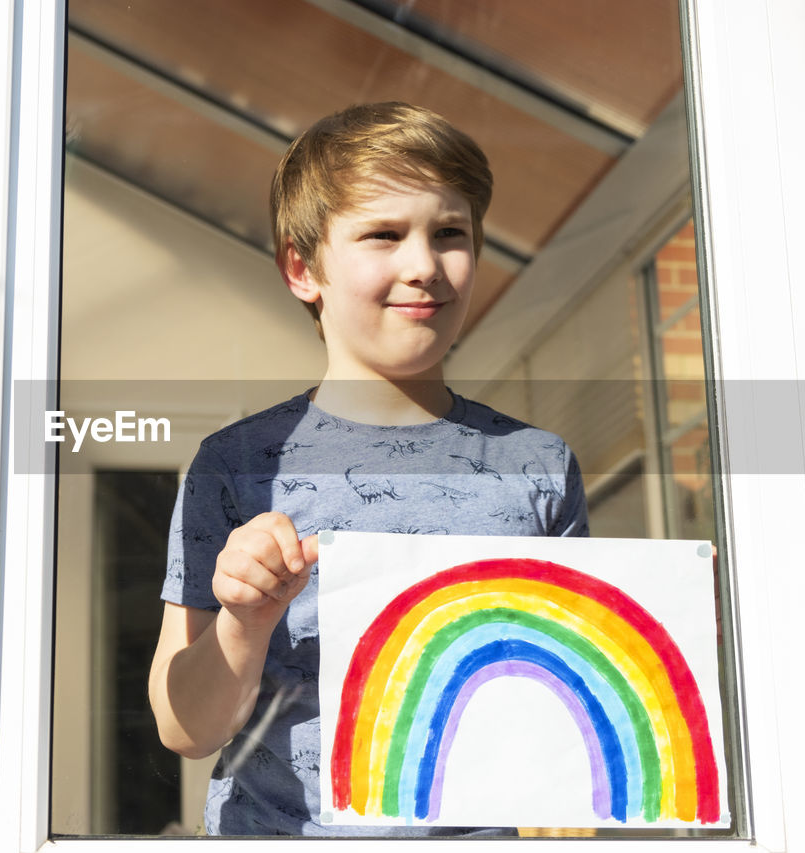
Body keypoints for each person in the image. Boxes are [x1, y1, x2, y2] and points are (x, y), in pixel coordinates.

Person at [148, 102, 589, 836]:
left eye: (450, 233)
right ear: (301, 267)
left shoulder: (539, 465)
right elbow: (185, 729)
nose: (423, 265)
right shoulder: (234, 466)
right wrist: (244, 624)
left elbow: (565, 707)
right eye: (383, 234)